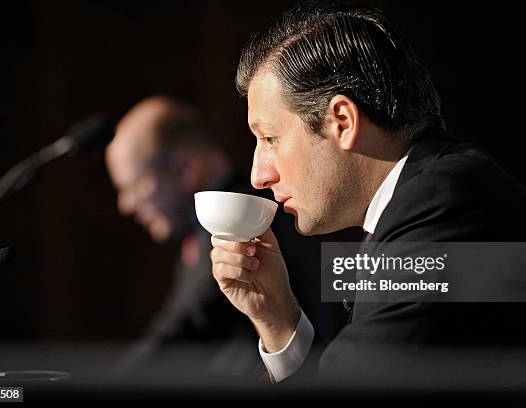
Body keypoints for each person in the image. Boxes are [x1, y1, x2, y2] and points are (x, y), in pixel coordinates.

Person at [209, 0, 526, 384]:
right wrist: (278, 320)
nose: (258, 176)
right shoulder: (435, 194)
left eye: (270, 137)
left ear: (342, 122)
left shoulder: (445, 206)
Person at [105, 95, 348, 377]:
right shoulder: (216, 222)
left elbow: (186, 326)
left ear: (185, 168)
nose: (126, 205)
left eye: (136, 186)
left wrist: (105, 389)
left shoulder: (237, 218)